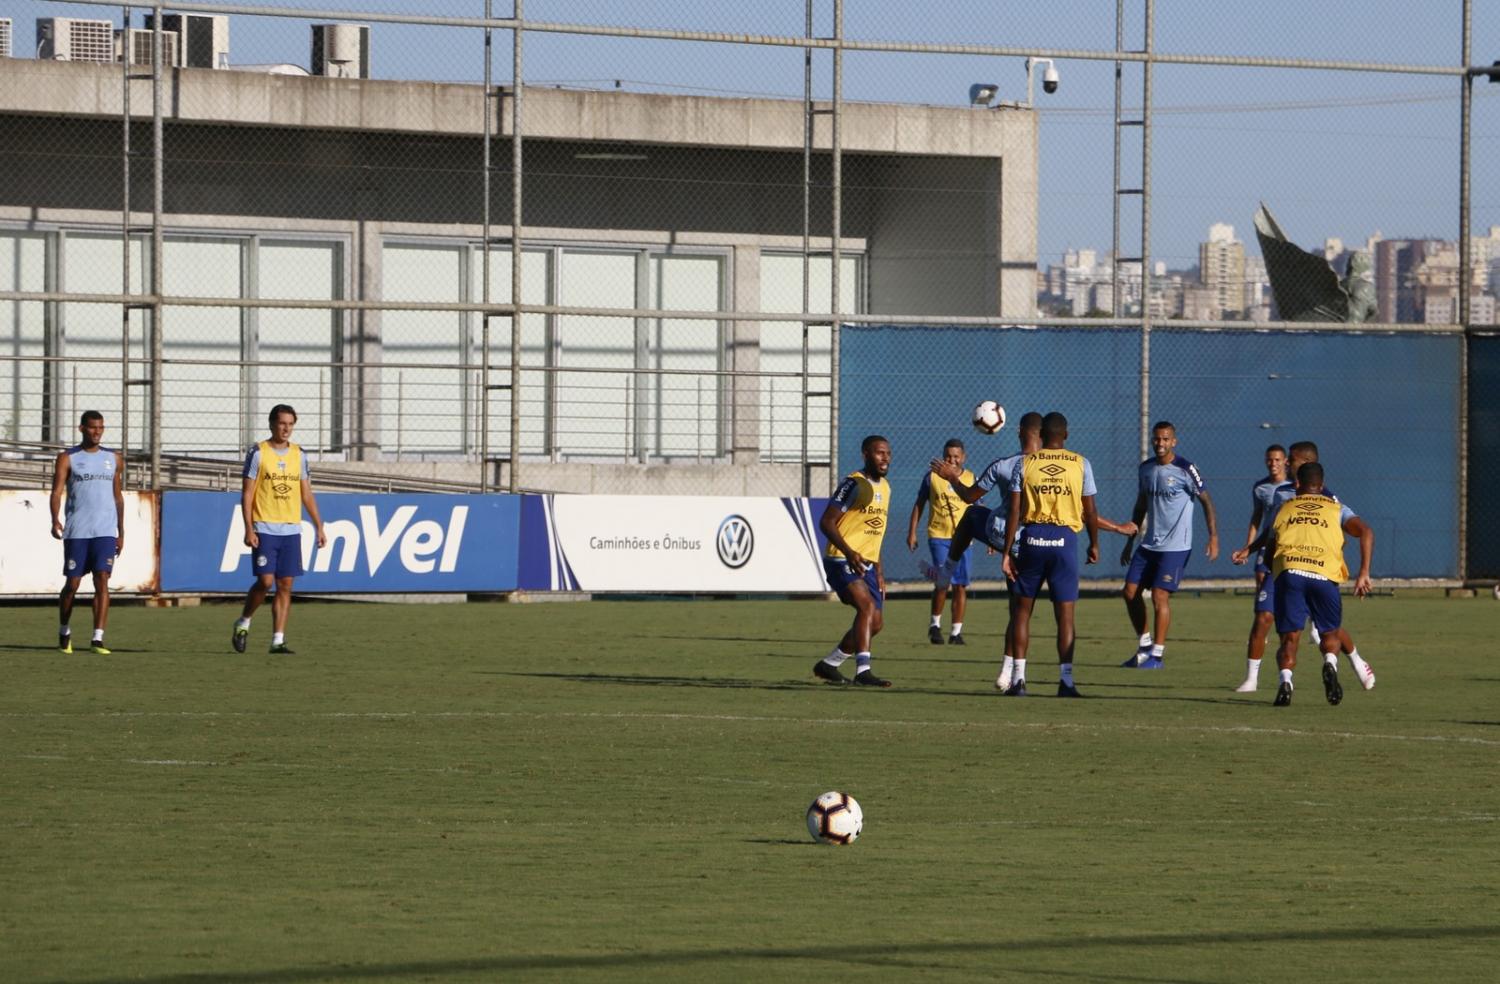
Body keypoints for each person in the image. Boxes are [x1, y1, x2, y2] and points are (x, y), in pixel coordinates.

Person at [1231, 441, 1374, 691]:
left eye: (1291, 460)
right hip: (1278, 563)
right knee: (1264, 617)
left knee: (1324, 628)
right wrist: (1250, 548)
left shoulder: (1329, 499)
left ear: (1306, 465)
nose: (1286, 463)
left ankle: (1356, 661)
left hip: (1312, 567)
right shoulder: (1280, 494)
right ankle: (1252, 678)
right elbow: (1272, 528)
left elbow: (1345, 531)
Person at [1000, 412, 1101, 698]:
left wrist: (1007, 552)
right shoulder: (1081, 464)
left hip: (1032, 539)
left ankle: (1018, 680)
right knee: (1065, 616)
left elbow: (1015, 512)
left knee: (1021, 612)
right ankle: (1066, 681)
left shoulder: (1026, 463)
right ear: (1066, 435)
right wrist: (1094, 543)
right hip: (1065, 542)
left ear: (1041, 434)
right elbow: (1090, 510)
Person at [1119, 421, 1219, 670]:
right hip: (1149, 544)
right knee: (1129, 592)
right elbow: (1140, 505)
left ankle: (1158, 655)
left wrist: (1213, 536)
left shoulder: (1186, 469)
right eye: (1157, 439)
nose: (1160, 444)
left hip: (1176, 547)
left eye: (1165, 439)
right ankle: (1144, 648)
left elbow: (1206, 501)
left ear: (1174, 441)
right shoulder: (1146, 469)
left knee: (1159, 595)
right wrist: (1129, 543)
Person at [231, 404, 327, 655]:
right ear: (272, 424)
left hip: (291, 530)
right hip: (264, 527)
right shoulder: (258, 453)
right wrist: (248, 528)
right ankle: (244, 621)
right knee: (265, 581)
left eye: (291, 424)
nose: (286, 429)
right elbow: (248, 493)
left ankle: (278, 640)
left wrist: (319, 525)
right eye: (282, 423)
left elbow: (306, 492)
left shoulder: (299, 455)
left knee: (285, 585)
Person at [813, 435, 894, 687]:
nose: (885, 458)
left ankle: (830, 664)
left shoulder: (886, 488)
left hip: (867, 563)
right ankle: (863, 672)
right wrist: (848, 552)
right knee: (866, 609)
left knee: (876, 623)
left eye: (888, 453)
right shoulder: (853, 484)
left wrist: (879, 569)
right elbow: (826, 522)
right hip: (842, 559)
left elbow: (876, 532)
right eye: (879, 453)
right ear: (865, 454)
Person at [49, 410, 125, 655]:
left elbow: (117, 496)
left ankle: (97, 639)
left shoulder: (114, 458)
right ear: (81, 428)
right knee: (72, 584)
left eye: (101, 428)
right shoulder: (67, 457)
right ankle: (64, 630)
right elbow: (56, 492)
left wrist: (121, 530)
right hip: (78, 530)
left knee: (102, 579)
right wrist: (54, 519)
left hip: (105, 530)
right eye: (93, 427)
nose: (97, 432)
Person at [1226, 444, 1287, 692]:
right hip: (1266, 549)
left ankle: (1310, 625)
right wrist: (1247, 547)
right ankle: (1253, 674)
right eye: (1269, 460)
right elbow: (1257, 518)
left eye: (1277, 460)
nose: (1273, 464)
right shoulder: (1260, 488)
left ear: (1285, 462)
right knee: (1262, 593)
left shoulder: (1297, 487)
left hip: (1291, 555)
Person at [907, 438, 975, 645]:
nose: (952, 460)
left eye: (956, 456)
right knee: (943, 581)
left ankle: (956, 632)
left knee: (961, 586)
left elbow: (978, 508)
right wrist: (912, 532)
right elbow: (919, 503)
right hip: (939, 536)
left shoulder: (971, 478)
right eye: (948, 456)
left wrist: (989, 539)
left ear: (963, 457)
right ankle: (935, 625)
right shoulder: (932, 478)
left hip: (964, 539)